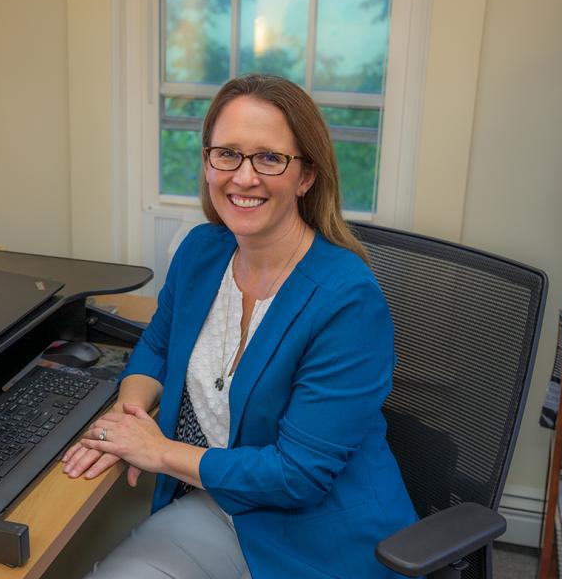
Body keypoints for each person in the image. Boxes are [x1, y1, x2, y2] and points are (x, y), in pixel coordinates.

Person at [62, 74, 418, 578]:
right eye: (226, 153)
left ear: (306, 175)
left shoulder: (347, 301)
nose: (243, 177)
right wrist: (132, 415)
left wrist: (159, 451)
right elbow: (158, 347)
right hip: (219, 508)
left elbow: (298, 476)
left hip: (317, 537)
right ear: (208, 162)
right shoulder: (201, 251)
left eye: (269, 158)